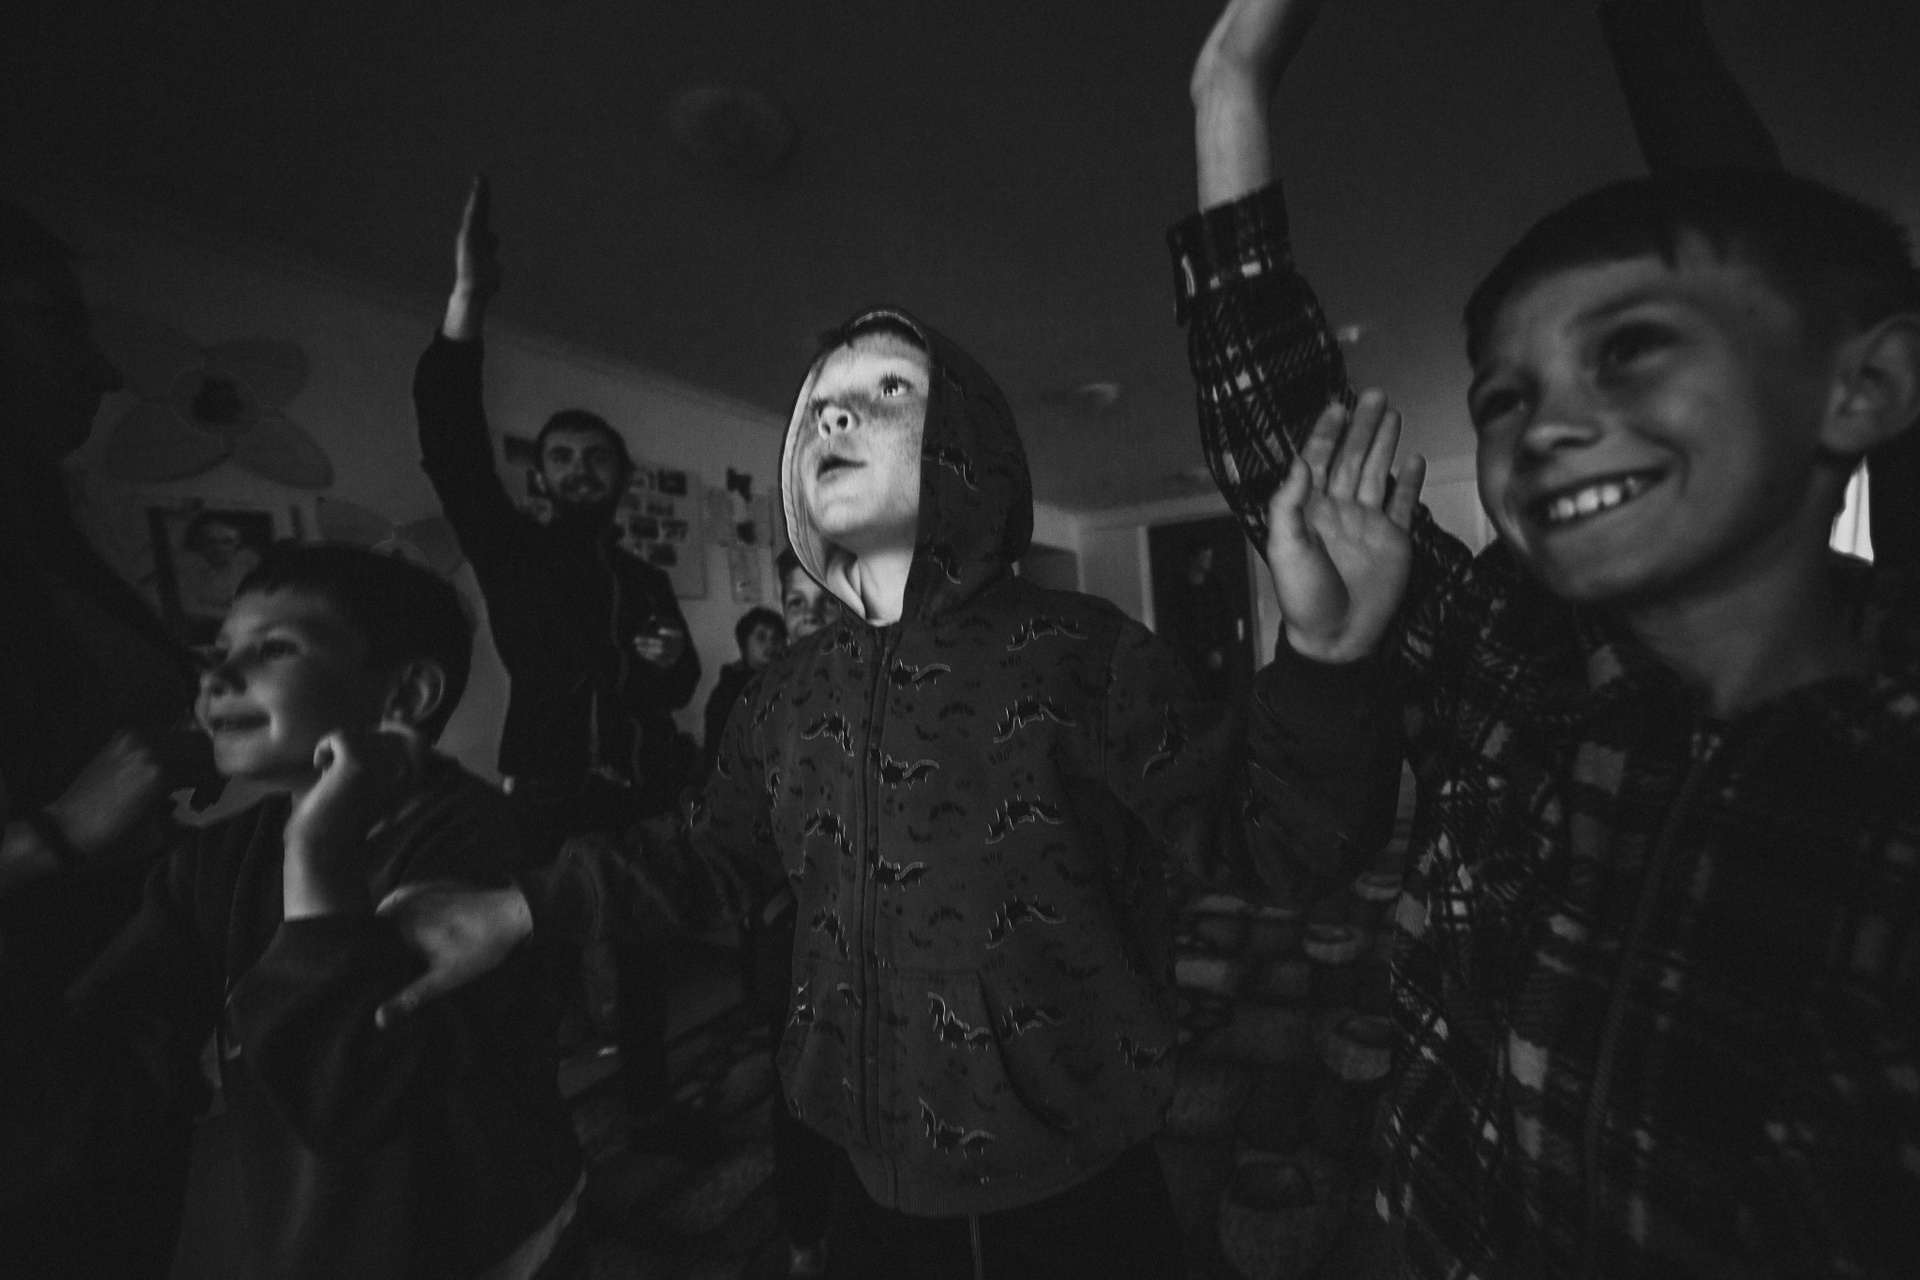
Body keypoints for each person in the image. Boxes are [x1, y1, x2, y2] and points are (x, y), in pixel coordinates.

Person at [1176, 1, 1920, 1274]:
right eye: (1503, 398)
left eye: (1629, 351)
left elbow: (1781, 270)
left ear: (1860, 389)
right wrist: (1229, 84)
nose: (1548, 426)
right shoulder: (1517, 647)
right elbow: (1287, 449)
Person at [624, 305, 1323, 1280]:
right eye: (820, 404)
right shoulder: (782, 694)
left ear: (966, 441)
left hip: (1074, 1192)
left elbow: (1280, 839)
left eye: (887, 390)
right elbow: (708, 858)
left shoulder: (1088, 654)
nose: (836, 417)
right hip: (868, 1186)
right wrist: (521, 904)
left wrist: (1327, 658)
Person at [1, 544, 587, 1280]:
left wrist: (316, 847)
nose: (215, 678)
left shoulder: (478, 841)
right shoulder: (215, 863)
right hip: (318, 1238)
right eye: (218, 650)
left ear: (407, 695)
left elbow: (352, 1096)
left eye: (273, 648)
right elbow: (114, 1058)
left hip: (484, 1245)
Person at [413, 178, 699, 1130]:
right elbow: (452, 446)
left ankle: (652, 1112)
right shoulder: (512, 550)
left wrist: (663, 663)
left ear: (621, 479)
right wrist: (467, 306)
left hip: (641, 786)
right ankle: (534, 1137)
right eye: (562, 458)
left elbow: (680, 683)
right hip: (544, 785)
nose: (580, 470)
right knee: (536, 967)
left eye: (596, 459)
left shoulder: (645, 577)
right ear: (540, 475)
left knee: (647, 953)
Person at [0, 202, 210, 1278]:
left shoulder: (49, 546)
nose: (105, 371)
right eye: (56, 323)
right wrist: (56, 834)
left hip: (121, 1024)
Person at [700, 605, 785, 784]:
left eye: (776, 638)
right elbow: (716, 745)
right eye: (761, 637)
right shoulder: (729, 689)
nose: (770, 644)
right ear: (745, 643)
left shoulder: (787, 681)